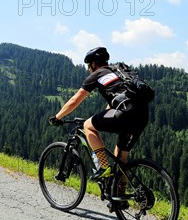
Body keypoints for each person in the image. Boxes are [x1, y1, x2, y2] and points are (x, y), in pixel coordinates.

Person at [49, 47, 150, 182]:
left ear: (94, 63)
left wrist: (57, 117)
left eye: (89, 65)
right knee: (121, 159)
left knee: (88, 125)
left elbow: (75, 100)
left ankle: (104, 166)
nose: (88, 68)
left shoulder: (97, 74)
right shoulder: (118, 71)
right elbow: (118, 101)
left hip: (125, 113)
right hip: (142, 114)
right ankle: (119, 199)